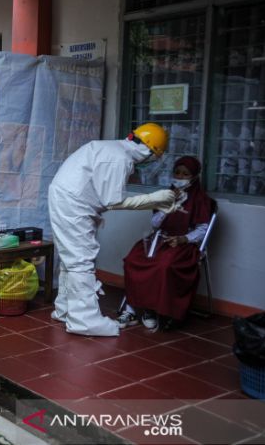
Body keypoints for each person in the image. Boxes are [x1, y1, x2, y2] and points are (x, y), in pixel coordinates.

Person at [48, 123, 179, 337]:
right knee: (81, 259)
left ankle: (66, 309)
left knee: (70, 258)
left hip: (68, 199)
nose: (150, 163)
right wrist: (156, 199)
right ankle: (84, 320)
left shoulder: (110, 148)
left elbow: (100, 194)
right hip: (73, 204)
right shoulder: (120, 159)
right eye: (154, 157)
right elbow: (113, 201)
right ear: (148, 149)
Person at [118, 156, 213, 330]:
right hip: (159, 239)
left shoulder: (201, 200)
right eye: (177, 172)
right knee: (133, 259)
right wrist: (167, 205)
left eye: (185, 174)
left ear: (194, 177)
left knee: (163, 266)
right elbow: (154, 223)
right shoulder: (165, 195)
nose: (180, 177)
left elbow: (203, 229)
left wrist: (184, 238)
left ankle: (150, 310)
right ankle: (131, 308)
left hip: (183, 243)